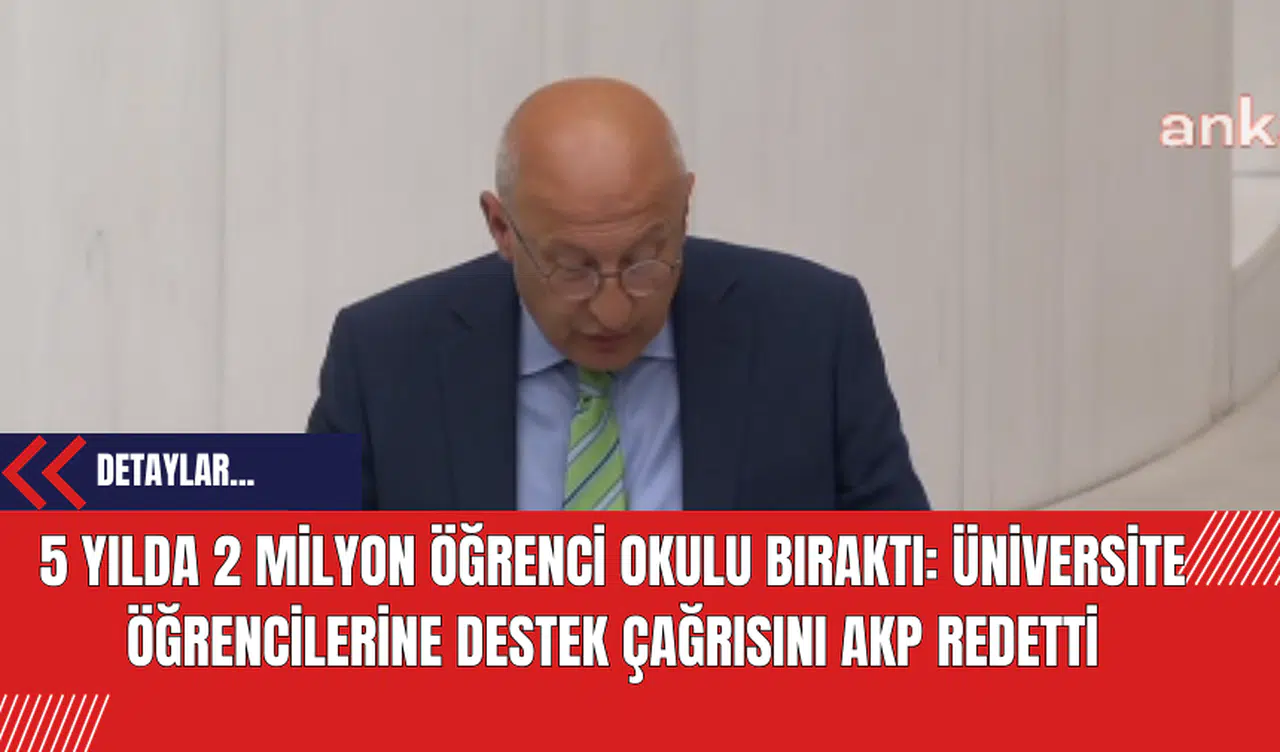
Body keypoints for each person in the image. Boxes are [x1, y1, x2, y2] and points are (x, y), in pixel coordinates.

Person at [306, 77, 930, 511]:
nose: (612, 311)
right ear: (501, 227)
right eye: (572, 269)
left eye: (644, 261)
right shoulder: (380, 356)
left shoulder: (814, 331)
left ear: (685, 209)